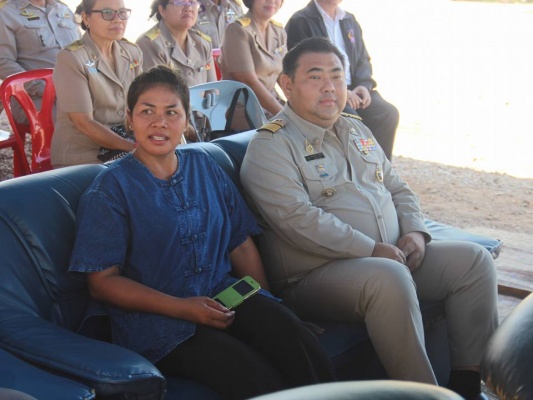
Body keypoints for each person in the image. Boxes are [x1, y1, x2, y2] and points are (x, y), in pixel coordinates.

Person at [240, 37, 498, 400]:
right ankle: (424, 395)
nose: (329, 86)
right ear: (287, 84)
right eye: (315, 76)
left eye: (336, 76)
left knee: (473, 261)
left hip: (389, 256)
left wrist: (416, 232)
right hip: (314, 276)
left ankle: (467, 387)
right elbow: (299, 221)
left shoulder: (356, 129)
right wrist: (371, 249)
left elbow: (398, 188)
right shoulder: (272, 146)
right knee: (388, 278)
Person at [68, 65, 335, 399]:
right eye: (147, 111)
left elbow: (240, 243)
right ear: (129, 119)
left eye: (171, 112)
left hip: (221, 294)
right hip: (155, 321)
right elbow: (102, 282)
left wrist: (271, 306)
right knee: (246, 370)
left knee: (293, 338)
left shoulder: (204, 165)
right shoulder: (110, 189)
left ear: (185, 120)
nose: (159, 123)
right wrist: (182, 308)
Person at [285, 0, 398, 160]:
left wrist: (364, 85)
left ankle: (380, 168)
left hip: (355, 89)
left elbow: (362, 58)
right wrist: (342, 90)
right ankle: (357, 168)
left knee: (387, 112)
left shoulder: (349, 20)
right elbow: (301, 69)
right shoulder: (301, 21)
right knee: (351, 118)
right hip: (324, 90)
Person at [50, 0, 142, 167]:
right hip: (84, 154)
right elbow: (83, 122)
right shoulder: (71, 57)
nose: (117, 19)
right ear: (86, 18)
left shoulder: (131, 52)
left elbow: (142, 103)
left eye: (122, 13)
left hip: (125, 141)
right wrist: (135, 149)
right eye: (107, 13)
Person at [0, 0, 80, 122]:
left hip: (77, 89)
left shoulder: (63, 9)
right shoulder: (6, 13)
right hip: (35, 97)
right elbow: (3, 62)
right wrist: (46, 89)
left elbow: (82, 51)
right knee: (79, 122)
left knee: (107, 113)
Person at [220, 0, 286, 119]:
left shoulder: (278, 30)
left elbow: (285, 77)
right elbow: (248, 81)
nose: (272, 1)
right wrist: (285, 116)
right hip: (244, 109)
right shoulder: (237, 30)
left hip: (273, 105)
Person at [136, 0, 216, 86]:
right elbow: (159, 91)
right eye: (180, 2)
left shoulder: (203, 43)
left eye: (192, 2)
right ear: (162, 10)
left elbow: (213, 89)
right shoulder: (150, 44)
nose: (188, 8)